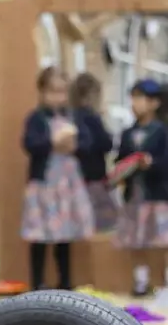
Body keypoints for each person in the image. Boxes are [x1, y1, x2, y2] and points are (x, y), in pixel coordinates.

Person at [21, 66, 94, 291]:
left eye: (62, 92)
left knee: (64, 235)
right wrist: (52, 143)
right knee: (40, 236)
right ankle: (38, 282)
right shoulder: (36, 118)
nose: (57, 97)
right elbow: (29, 144)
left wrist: (74, 145)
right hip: (44, 185)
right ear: (42, 92)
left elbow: (88, 143)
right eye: (52, 91)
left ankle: (65, 281)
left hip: (67, 185)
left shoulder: (73, 117)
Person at [114, 79, 168, 296]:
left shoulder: (162, 132)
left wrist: (151, 163)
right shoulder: (127, 134)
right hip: (134, 196)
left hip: (158, 194)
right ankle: (140, 281)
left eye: (140, 98)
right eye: (133, 98)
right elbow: (120, 159)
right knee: (137, 241)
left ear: (154, 103)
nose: (135, 103)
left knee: (163, 239)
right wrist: (122, 169)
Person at [70, 72, 117, 232]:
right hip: (95, 179)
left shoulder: (69, 117)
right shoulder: (92, 117)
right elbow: (107, 144)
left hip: (74, 180)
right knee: (105, 225)